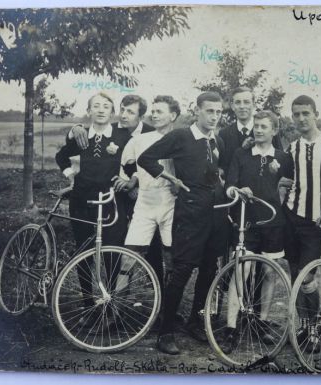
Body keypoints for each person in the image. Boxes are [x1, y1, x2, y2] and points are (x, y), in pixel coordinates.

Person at [137, 91, 227, 355]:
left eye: (218, 112)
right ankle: (165, 332)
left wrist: (221, 186)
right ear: (196, 110)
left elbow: (211, 176)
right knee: (183, 270)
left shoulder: (216, 139)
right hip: (189, 214)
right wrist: (172, 179)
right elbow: (146, 159)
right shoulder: (181, 136)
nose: (214, 116)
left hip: (215, 215)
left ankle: (193, 322)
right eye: (209, 111)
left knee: (209, 269)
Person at [221, 110, 294, 352]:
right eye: (257, 126)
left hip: (273, 223)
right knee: (241, 270)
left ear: (274, 130)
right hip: (246, 221)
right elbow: (230, 185)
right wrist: (237, 191)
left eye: (264, 126)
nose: (259, 130)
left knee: (269, 272)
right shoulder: (241, 154)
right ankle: (231, 328)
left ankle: (261, 322)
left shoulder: (284, 157)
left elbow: (290, 186)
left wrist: (281, 179)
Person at [282, 95, 321, 349]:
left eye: (305, 113)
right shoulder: (293, 147)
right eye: (296, 114)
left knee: (307, 278)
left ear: (316, 114)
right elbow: (286, 179)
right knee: (295, 274)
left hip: (315, 221)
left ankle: (315, 329)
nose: (301, 119)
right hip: (291, 216)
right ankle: (305, 329)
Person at [55, 92, 130, 311]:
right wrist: (71, 175)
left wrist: (127, 179)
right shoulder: (81, 135)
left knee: (112, 251)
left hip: (111, 201)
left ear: (112, 112)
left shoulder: (122, 135)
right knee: (84, 251)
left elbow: (135, 156)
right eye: (95, 106)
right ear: (89, 111)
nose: (100, 110)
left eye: (106, 106)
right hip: (82, 201)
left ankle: (111, 304)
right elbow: (61, 157)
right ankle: (88, 303)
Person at [114, 96, 181, 292]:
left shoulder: (180, 139)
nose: (154, 114)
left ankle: (167, 310)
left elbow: (188, 169)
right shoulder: (138, 140)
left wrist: (179, 184)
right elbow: (126, 167)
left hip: (170, 203)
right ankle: (117, 308)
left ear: (173, 115)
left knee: (171, 258)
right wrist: (132, 183)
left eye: (160, 111)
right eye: (153, 110)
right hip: (144, 203)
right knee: (128, 257)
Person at [219, 86, 283, 176]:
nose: (242, 106)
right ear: (232, 106)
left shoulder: (268, 131)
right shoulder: (223, 134)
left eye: (246, 102)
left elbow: (280, 159)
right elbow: (222, 166)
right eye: (238, 102)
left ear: (254, 105)